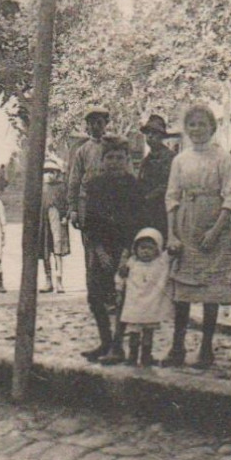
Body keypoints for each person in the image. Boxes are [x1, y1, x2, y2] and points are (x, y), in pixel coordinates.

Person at [163, 105, 231, 368]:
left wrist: (215, 231)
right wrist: (172, 234)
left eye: (202, 124)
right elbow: (172, 198)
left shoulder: (222, 158)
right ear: (186, 129)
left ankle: (206, 348)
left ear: (212, 127)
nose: (197, 130)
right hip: (187, 227)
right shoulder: (180, 160)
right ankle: (177, 346)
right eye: (192, 125)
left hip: (213, 228)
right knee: (183, 292)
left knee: (210, 292)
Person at [84, 138, 146, 363]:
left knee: (122, 298)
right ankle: (105, 341)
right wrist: (98, 251)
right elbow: (89, 222)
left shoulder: (134, 188)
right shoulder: (95, 185)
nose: (115, 162)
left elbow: (137, 223)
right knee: (95, 296)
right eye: (110, 157)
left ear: (127, 160)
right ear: (102, 160)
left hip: (125, 249)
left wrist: (126, 255)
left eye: (120, 157)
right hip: (101, 247)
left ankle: (118, 346)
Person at [117, 228, 173, 366]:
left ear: (157, 249)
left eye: (150, 248)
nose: (145, 251)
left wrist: (173, 249)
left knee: (148, 332)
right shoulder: (132, 263)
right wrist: (119, 289)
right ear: (135, 249)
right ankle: (132, 355)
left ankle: (146, 356)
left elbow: (169, 255)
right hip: (134, 304)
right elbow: (120, 278)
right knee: (134, 332)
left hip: (151, 305)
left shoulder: (160, 262)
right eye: (142, 248)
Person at [66, 106, 111, 248]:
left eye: (99, 122)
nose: (96, 127)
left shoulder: (113, 147)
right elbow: (74, 180)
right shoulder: (82, 150)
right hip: (87, 203)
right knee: (91, 249)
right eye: (92, 123)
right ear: (88, 126)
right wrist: (73, 209)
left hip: (109, 203)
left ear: (106, 124)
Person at [138, 114, 178, 235]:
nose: (150, 136)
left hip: (163, 209)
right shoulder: (146, 159)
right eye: (148, 133)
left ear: (161, 136)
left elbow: (168, 184)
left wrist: (148, 197)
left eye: (154, 133)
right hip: (147, 210)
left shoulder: (170, 157)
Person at [39, 162, 70, 294]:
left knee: (58, 249)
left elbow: (68, 203)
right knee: (45, 250)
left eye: (52, 172)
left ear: (57, 173)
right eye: (46, 172)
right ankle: (48, 281)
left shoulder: (62, 187)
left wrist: (66, 216)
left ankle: (59, 281)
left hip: (57, 220)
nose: (49, 175)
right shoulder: (40, 188)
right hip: (43, 221)